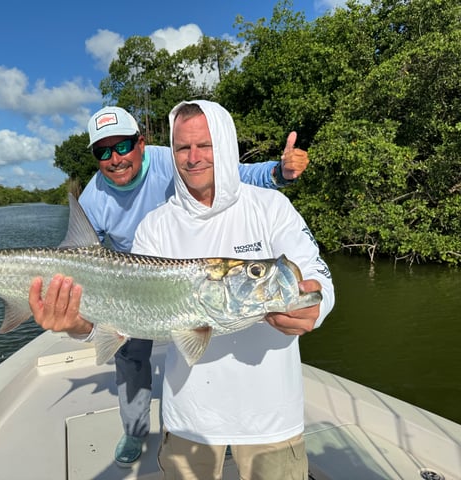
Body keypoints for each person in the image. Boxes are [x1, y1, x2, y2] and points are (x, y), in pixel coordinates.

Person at [29, 105, 310, 468]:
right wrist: (83, 319)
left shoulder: (174, 158)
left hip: (180, 267)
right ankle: (134, 428)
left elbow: (231, 172)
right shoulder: (94, 199)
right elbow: (81, 255)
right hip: (129, 271)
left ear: (141, 143)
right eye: (102, 151)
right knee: (128, 354)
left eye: (123, 146)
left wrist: (279, 173)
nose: (115, 159)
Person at [130, 100, 335, 479]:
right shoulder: (154, 227)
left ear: (225, 145)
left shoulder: (272, 207)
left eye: (205, 145)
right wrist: (83, 323)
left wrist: (314, 307)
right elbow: (141, 318)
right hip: (189, 419)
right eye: (182, 148)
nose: (193, 158)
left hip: (272, 420)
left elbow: (317, 280)